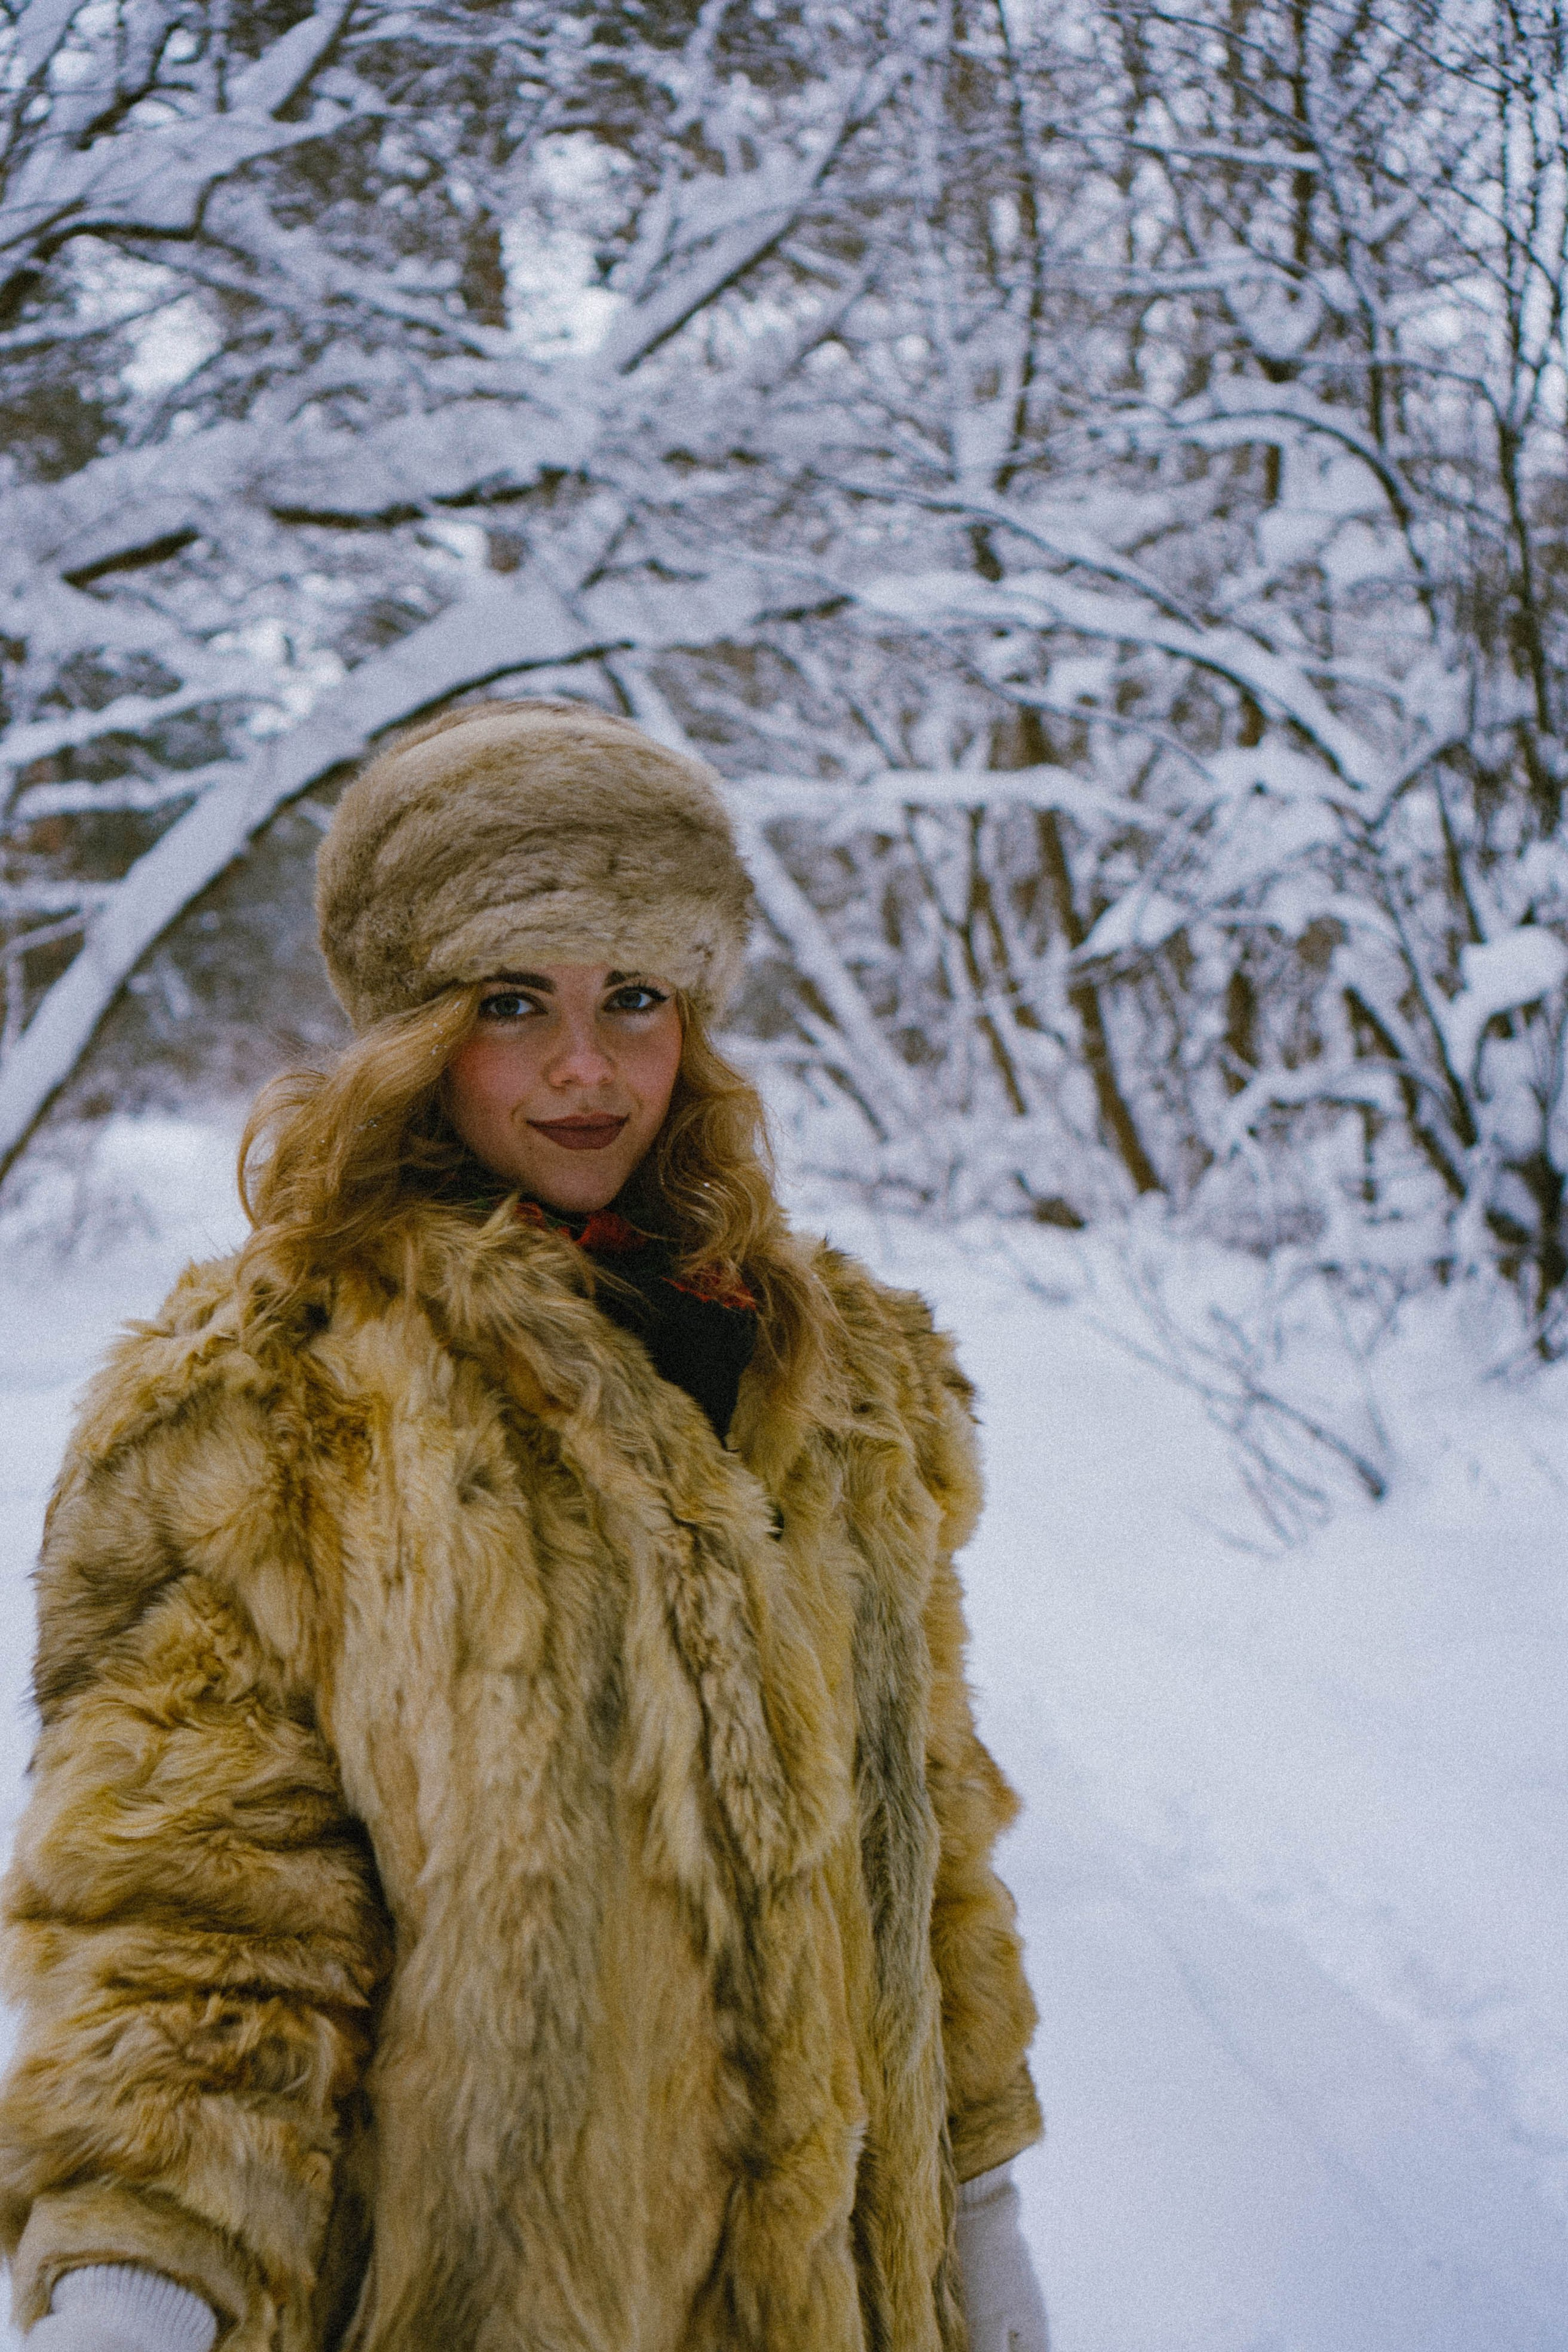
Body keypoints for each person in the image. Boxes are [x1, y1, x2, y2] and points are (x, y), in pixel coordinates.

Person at [0, 700, 1049, 2352]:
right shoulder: (271, 1403)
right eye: (516, 1004)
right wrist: (137, 2288)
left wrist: (981, 2223)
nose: (587, 1069)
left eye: (633, 998)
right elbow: (196, 1937)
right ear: (420, 1028)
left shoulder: (842, 1383)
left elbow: (927, 1867)